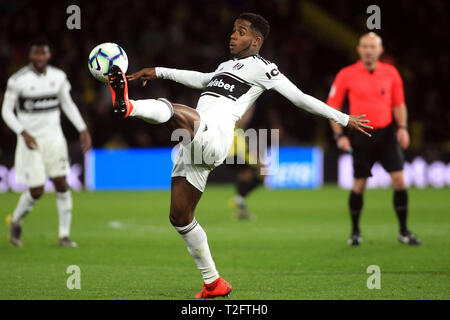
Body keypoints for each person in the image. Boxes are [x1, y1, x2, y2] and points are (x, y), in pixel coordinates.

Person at [108, 13, 371, 298]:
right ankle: (214, 283)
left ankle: (128, 106)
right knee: (180, 217)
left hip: (216, 133)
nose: (233, 35)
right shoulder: (225, 66)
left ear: (256, 40)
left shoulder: (264, 69)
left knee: (170, 110)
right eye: (233, 30)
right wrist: (159, 71)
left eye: (241, 31)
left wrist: (342, 118)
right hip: (194, 142)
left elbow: (300, 98)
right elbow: (203, 79)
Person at [327, 32, 421, 246]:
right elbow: (331, 106)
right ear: (359, 49)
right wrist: (339, 135)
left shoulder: (391, 73)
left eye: (373, 46)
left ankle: (404, 231)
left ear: (380, 50)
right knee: (359, 184)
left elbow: (398, 103)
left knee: (399, 180)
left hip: (387, 133)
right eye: (365, 46)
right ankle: (355, 232)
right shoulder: (346, 74)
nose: (369, 50)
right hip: (361, 135)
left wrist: (403, 128)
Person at [2, 38, 92, 248]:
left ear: (49, 55)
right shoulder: (18, 80)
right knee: (37, 190)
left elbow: (67, 104)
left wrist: (82, 128)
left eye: (44, 53)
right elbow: (6, 111)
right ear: (30, 55)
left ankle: (64, 235)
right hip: (30, 141)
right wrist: (22, 132)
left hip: (54, 138)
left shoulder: (58, 77)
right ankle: (15, 221)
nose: (40, 57)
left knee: (62, 183)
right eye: (36, 53)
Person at [226, 104, 263, 220]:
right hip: (235, 157)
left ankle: (241, 211)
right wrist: (256, 163)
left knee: (243, 178)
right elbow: (242, 151)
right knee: (261, 174)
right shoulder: (236, 130)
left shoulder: (233, 129)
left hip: (230, 157)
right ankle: (239, 199)